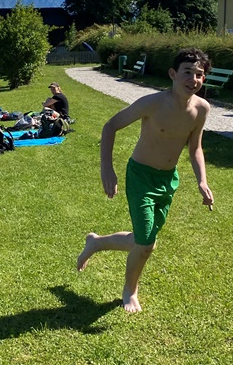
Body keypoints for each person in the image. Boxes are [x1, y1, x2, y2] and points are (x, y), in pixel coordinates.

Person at [76, 48, 215, 313]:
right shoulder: (152, 103)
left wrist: (202, 181)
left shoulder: (201, 109)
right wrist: (107, 169)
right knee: (146, 243)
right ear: (173, 74)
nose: (193, 79)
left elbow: (195, 148)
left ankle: (96, 242)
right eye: (187, 72)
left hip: (168, 181)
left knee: (142, 240)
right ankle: (130, 291)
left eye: (199, 74)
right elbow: (110, 126)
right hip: (140, 176)